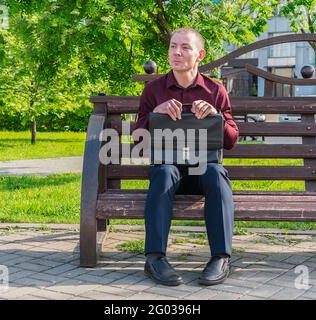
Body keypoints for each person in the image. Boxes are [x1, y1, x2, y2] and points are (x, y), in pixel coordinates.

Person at [133, 28, 239, 286]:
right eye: (172, 46)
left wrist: (216, 116)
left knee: (216, 172)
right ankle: (155, 258)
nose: (176, 52)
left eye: (185, 47)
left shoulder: (215, 90)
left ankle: (220, 258)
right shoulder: (154, 90)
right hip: (168, 174)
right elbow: (137, 138)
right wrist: (155, 113)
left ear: (200, 54)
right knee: (164, 170)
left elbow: (231, 139)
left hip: (202, 172)